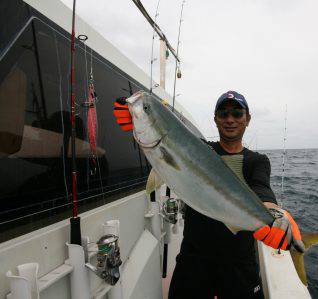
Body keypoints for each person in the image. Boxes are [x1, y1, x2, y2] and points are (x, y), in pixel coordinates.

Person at [114, 90, 304, 299]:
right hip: (193, 261)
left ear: (247, 119)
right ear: (215, 119)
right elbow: (168, 145)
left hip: (239, 266)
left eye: (237, 114)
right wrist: (136, 118)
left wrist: (276, 214)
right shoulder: (199, 149)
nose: (230, 119)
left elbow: (263, 191)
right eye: (223, 114)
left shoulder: (257, 161)